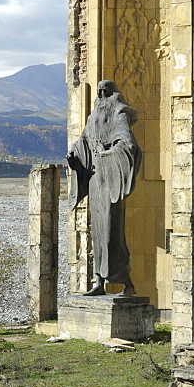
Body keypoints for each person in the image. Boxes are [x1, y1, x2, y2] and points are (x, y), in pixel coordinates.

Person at [67, 80, 142, 296]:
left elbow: (128, 145)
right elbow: (83, 143)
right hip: (95, 180)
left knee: (111, 234)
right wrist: (74, 157)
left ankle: (127, 283)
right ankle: (99, 282)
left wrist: (105, 153)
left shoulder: (119, 115)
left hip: (111, 180)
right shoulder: (93, 119)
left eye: (104, 92)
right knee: (97, 235)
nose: (100, 96)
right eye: (98, 92)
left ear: (112, 94)